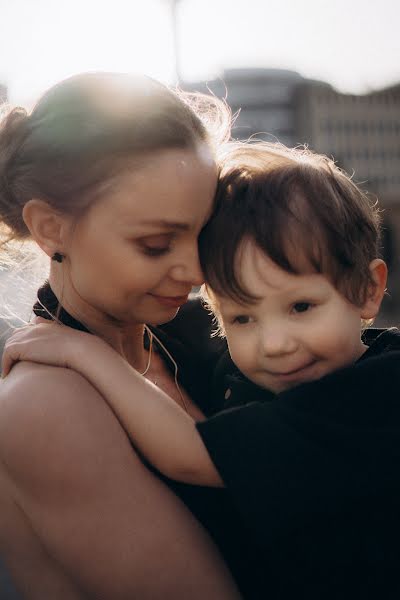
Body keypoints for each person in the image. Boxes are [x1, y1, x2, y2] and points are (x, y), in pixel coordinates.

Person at [5, 142, 400, 599]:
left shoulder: (376, 391)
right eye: (241, 319)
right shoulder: (228, 362)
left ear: (370, 290)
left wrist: (82, 354)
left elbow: (189, 454)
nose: (274, 344)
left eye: (301, 306)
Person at [0, 72, 247, 600]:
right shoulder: (42, 406)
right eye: (156, 244)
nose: (196, 271)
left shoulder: (193, 336)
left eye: (204, 233)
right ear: (50, 228)